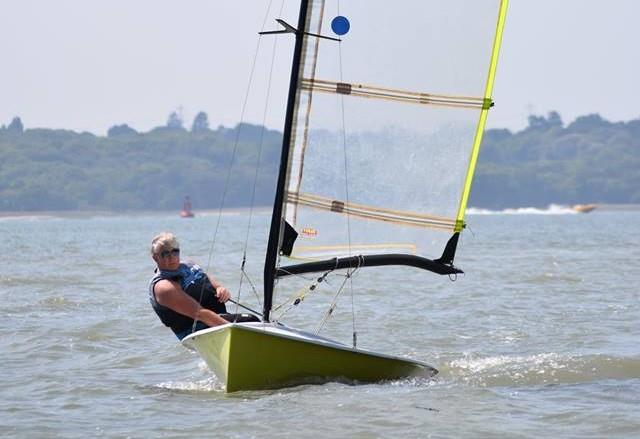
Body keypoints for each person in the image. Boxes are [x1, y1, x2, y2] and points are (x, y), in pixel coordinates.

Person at [149, 232, 231, 340]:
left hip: (217, 319)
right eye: (165, 254)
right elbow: (200, 313)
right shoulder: (163, 286)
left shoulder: (189, 264)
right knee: (249, 323)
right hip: (197, 330)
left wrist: (220, 289)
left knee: (253, 320)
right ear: (156, 258)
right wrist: (232, 330)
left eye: (175, 252)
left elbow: (207, 280)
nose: (172, 257)